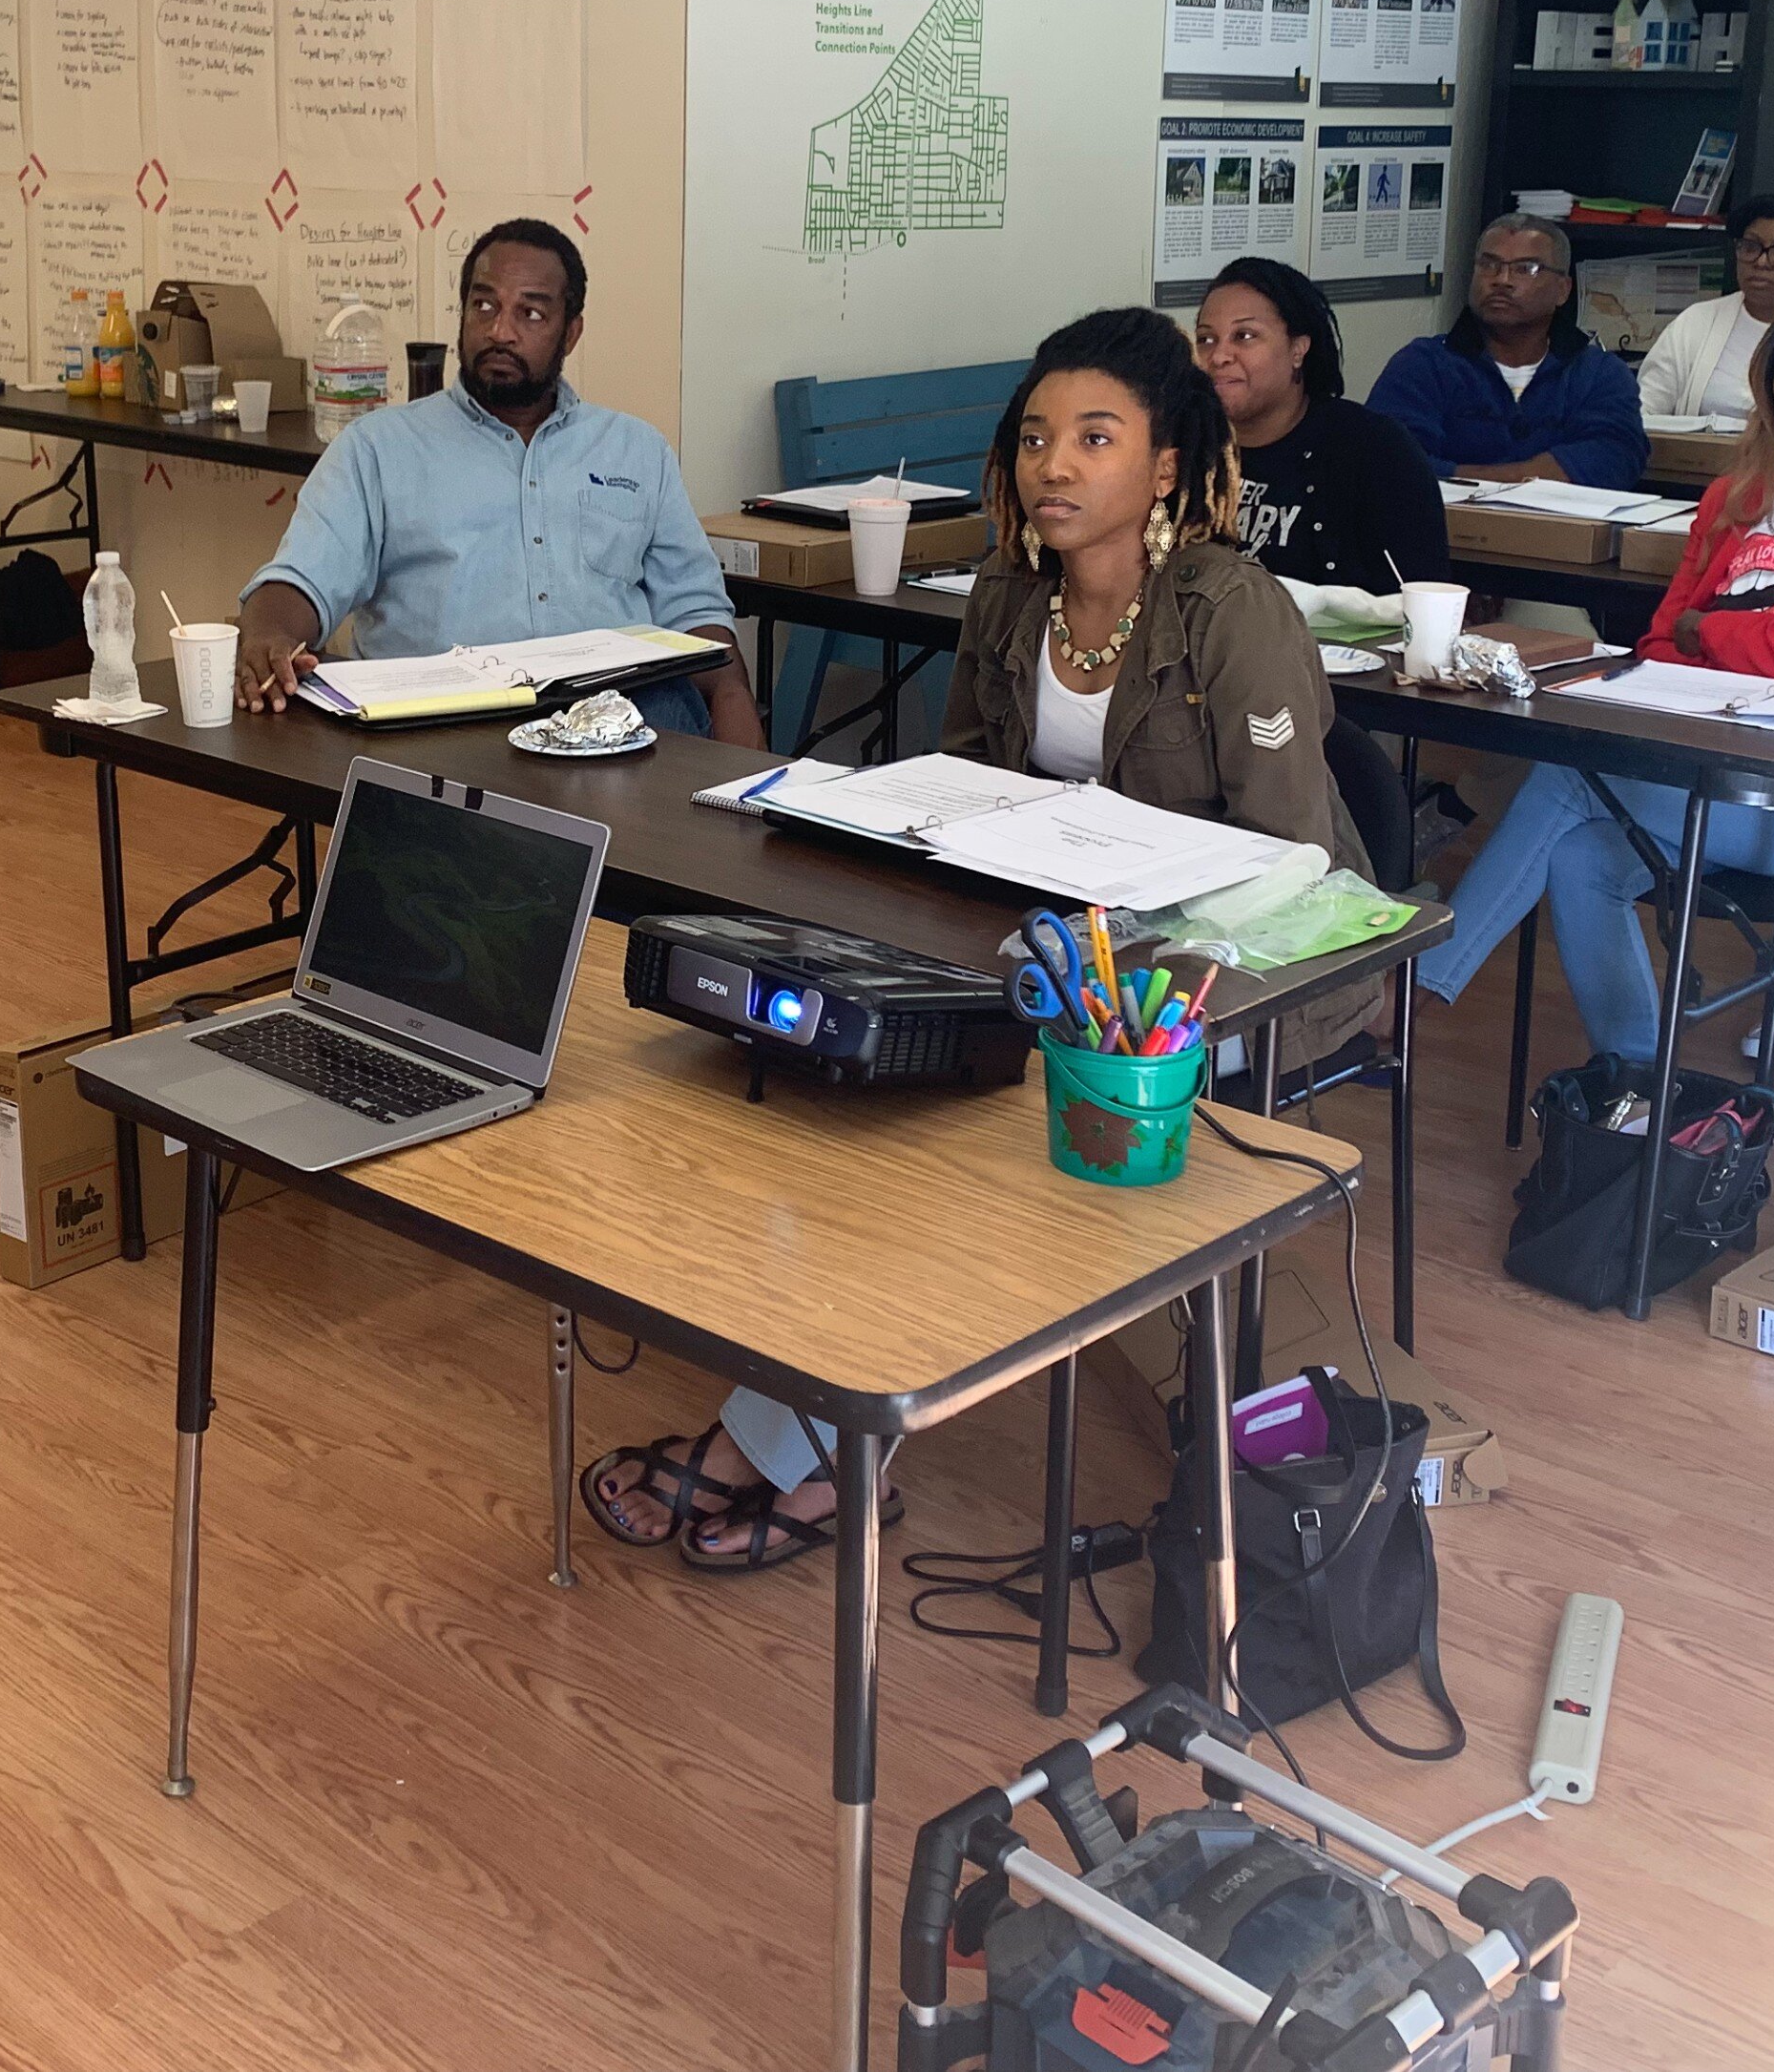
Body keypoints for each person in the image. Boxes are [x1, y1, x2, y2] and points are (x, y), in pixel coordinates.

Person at [581, 308, 1374, 1577]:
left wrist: (1101, 968)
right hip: (1033, 949)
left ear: (1167, 462)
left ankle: (802, 1450)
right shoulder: (1010, 588)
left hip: (1199, 992)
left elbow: (1292, 870)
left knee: (942, 1140)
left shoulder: (1234, 608)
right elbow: (965, 778)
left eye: (1095, 437)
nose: (1052, 465)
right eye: (1037, 438)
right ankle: (810, 1417)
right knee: (828, 1083)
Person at [1413, 281, 1774, 1068]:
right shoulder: (1732, 496)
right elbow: (1658, 646)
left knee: (1569, 778)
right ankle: (1641, 1078)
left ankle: (1410, 999)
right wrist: (1740, 645)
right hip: (1716, 773)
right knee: (1580, 857)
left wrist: (1716, 630)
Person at [232, 220, 765, 745]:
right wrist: (269, 633)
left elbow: (697, 617)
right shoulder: (379, 449)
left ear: (571, 332)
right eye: (483, 306)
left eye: (530, 313)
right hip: (444, 732)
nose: (500, 331)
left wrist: (739, 738)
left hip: (619, 723)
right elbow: (302, 577)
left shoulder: (636, 449)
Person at [1193, 256, 1449, 595]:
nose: (1219, 356)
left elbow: (1421, 598)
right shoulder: (1185, 446)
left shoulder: (1374, 450)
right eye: (1206, 339)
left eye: (1244, 336)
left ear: (1298, 349)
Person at [1366, 213, 1647, 488]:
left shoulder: (1599, 373)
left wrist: (1463, 475)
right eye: (1489, 265)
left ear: (1563, 289)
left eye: (1526, 269)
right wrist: (1526, 475)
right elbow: (1386, 460)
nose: (1502, 280)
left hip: (1560, 531)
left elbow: (1618, 456)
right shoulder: (1422, 364)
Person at [1637, 191, 1774, 420]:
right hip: (1704, 455)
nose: (1761, 261)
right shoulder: (1697, 322)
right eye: (1750, 247)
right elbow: (1642, 412)